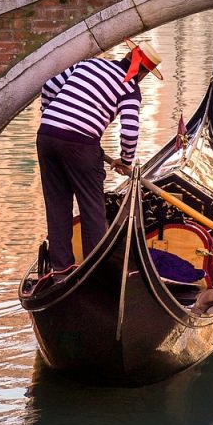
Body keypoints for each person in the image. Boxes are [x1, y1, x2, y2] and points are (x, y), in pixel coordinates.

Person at [36, 39, 162, 272]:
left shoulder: (89, 64)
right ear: (144, 71)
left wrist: (51, 114)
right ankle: (96, 271)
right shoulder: (130, 89)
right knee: (92, 207)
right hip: (81, 144)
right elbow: (130, 131)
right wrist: (125, 161)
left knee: (57, 205)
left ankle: (61, 270)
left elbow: (50, 86)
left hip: (46, 135)